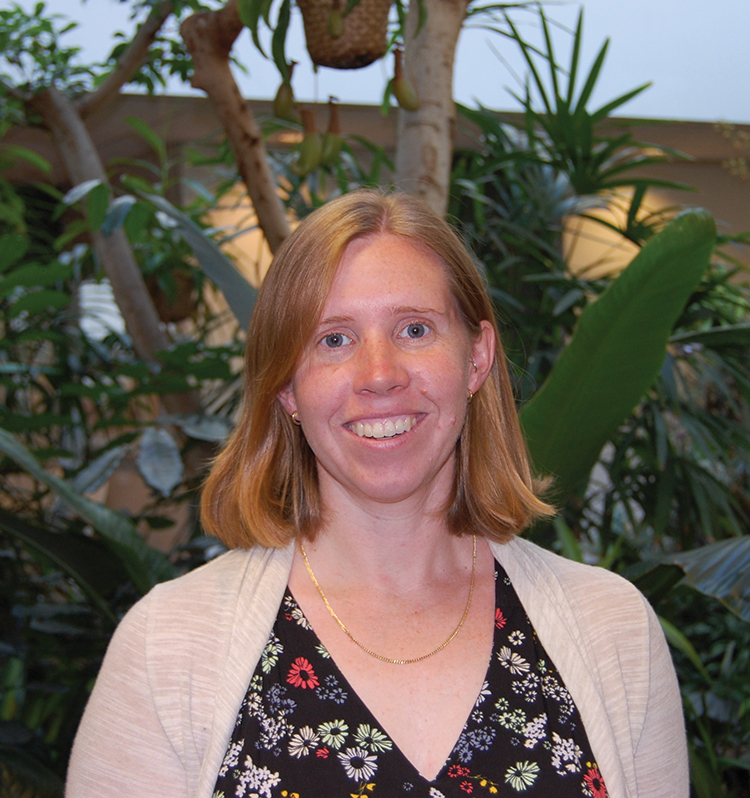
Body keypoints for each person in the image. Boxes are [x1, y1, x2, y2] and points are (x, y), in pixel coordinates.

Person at [66, 189, 688, 798]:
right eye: (333, 340)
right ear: (286, 386)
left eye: (415, 329)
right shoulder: (169, 647)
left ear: (476, 358)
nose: (380, 376)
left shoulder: (614, 631)